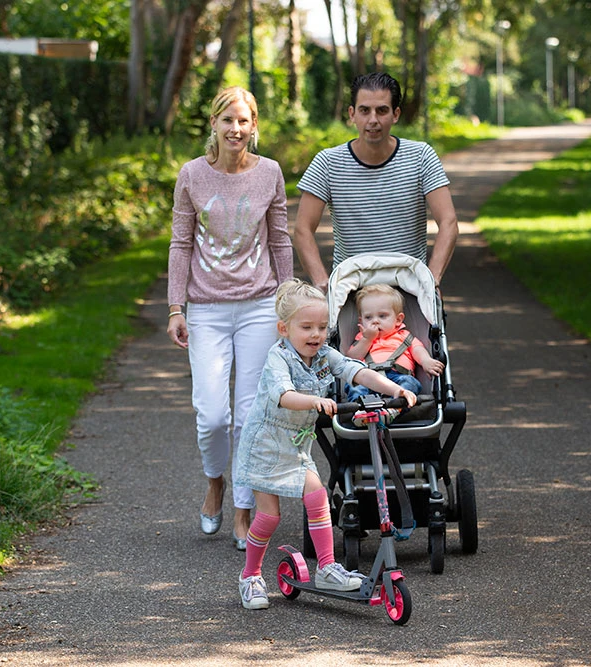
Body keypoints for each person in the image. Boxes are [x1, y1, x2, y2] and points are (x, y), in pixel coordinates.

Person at [234, 279, 417, 610]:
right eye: (306, 327)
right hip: (266, 446)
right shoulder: (278, 358)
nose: (316, 334)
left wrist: (395, 390)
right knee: (269, 516)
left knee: (318, 496)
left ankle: (328, 568)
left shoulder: (323, 355)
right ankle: (250, 576)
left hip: (297, 446)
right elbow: (284, 395)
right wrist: (314, 402)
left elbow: (356, 371)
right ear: (284, 329)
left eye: (321, 327)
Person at [167, 86, 293, 551]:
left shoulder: (270, 173)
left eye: (243, 121)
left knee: (250, 416)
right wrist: (176, 307)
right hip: (206, 308)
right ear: (214, 125)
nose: (235, 129)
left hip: (259, 305)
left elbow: (279, 240)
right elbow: (181, 243)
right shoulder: (192, 175)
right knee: (212, 416)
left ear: (254, 125)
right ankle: (214, 480)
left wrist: (288, 303)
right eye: (227, 120)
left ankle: (243, 510)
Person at [293, 72, 458, 292]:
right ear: (352, 114)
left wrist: (431, 279)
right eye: (364, 110)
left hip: (409, 289)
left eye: (382, 110)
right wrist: (323, 282)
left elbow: (448, 221)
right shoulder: (327, 163)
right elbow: (303, 229)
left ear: (395, 114)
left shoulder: (421, 157)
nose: (373, 120)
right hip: (350, 290)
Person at [345, 283, 444, 401]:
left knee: (410, 383)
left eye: (382, 316)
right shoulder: (362, 338)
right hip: (368, 378)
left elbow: (418, 349)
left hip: (398, 376)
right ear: (361, 321)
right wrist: (367, 339)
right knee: (355, 386)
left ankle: (395, 407)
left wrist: (426, 361)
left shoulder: (404, 336)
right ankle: (362, 408)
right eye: (368, 317)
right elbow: (351, 359)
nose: (375, 321)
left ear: (398, 319)